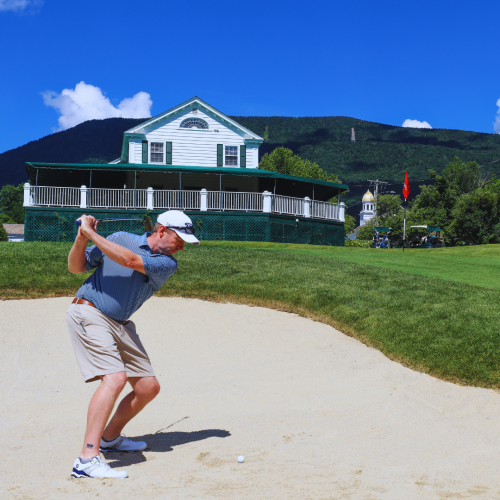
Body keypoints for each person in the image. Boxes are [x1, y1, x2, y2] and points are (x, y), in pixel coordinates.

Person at [67, 210, 199, 479]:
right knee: (115, 379)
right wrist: (82, 238)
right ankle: (87, 459)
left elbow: (127, 260)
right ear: (162, 230)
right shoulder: (119, 237)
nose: (182, 245)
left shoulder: (166, 263)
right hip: (90, 311)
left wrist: (92, 233)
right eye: (180, 238)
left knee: (148, 388)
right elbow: (76, 267)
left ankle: (109, 438)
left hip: (121, 324)